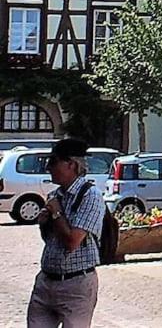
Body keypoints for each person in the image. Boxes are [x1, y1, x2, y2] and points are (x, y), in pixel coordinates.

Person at [28, 138, 105, 327]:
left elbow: (72, 242)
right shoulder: (55, 195)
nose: (48, 167)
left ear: (71, 164)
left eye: (53, 162)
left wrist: (56, 213)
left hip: (76, 285)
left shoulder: (91, 196)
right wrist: (45, 223)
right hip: (46, 281)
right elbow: (51, 241)